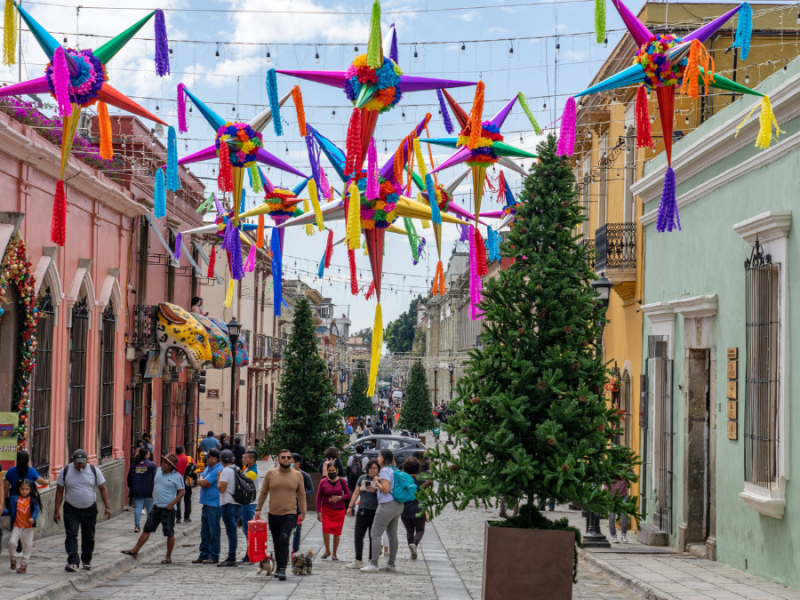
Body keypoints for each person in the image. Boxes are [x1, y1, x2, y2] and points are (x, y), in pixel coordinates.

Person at [54, 449, 112, 572]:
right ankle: (73, 561)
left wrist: (107, 506)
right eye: (77, 463)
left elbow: (103, 489)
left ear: (87, 461)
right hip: (71, 509)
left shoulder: (94, 471)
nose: (80, 465)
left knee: (88, 536)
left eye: (82, 462)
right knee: (71, 535)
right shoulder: (65, 471)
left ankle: (86, 560)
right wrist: (56, 510)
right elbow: (59, 491)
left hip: (89, 509)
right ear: (72, 461)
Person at [121, 453, 185, 564]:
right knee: (147, 528)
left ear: (171, 466)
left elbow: (182, 492)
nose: (163, 464)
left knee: (169, 532)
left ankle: (168, 556)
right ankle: (135, 550)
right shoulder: (159, 471)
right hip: (157, 506)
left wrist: (171, 504)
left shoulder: (177, 477)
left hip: (168, 509)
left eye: (165, 462)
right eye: (163, 461)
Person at [255, 449, 307, 580]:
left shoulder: (297, 475)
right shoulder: (270, 473)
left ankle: (282, 568)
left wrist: (303, 511)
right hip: (273, 513)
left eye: (288, 457)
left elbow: (301, 494)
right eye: (283, 457)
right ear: (278, 459)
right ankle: (278, 566)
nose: (286, 459)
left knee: (284, 539)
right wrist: (258, 508)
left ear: (291, 460)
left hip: (289, 513)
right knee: (277, 541)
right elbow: (263, 492)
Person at [360, 449, 404, 573]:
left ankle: (374, 563)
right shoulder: (393, 469)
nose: (378, 457)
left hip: (386, 505)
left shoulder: (384, 470)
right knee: (392, 535)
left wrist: (376, 482)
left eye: (379, 456)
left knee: (375, 533)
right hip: (397, 504)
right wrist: (378, 488)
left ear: (384, 458)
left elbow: (385, 489)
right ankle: (391, 563)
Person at [345, 459, 380, 569]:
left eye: (374, 468)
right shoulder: (362, 478)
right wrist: (350, 506)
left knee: (372, 536)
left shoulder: (381, 480)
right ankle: (358, 559)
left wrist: (377, 489)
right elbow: (356, 493)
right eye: (370, 468)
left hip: (375, 511)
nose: (372, 470)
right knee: (358, 535)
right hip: (362, 510)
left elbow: (385, 493)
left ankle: (372, 559)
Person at [193, 448, 223, 565]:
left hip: (214, 505)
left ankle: (214, 555)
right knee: (204, 531)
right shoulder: (208, 468)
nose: (206, 458)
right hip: (206, 504)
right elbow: (200, 479)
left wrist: (201, 480)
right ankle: (204, 553)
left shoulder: (218, 469)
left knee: (213, 531)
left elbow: (205, 482)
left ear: (215, 459)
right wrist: (201, 480)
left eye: (208, 457)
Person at [316, 461, 350, 560]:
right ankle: (327, 550)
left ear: (337, 470)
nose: (331, 472)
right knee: (326, 529)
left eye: (333, 471)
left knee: (337, 532)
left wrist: (340, 497)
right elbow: (318, 497)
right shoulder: (323, 482)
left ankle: (334, 553)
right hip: (326, 509)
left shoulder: (342, 481)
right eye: (329, 471)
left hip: (339, 510)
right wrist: (318, 511)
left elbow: (348, 494)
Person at [7, 478, 40, 573]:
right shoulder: (14, 499)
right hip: (17, 525)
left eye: (26, 489)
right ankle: (13, 559)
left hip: (28, 527)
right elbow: (10, 511)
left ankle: (24, 565)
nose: (24, 491)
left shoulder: (33, 500)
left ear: (30, 489)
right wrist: (2, 512)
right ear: (18, 489)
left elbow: (36, 510)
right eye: (22, 489)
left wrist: (33, 518)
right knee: (12, 542)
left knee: (27, 546)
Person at [215, 449, 242, 567]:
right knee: (233, 532)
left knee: (231, 533)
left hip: (228, 504)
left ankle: (231, 558)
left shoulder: (225, 471)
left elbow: (221, 489)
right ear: (232, 459)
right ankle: (232, 556)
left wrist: (218, 477)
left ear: (221, 460)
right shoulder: (237, 469)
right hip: (237, 504)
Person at [400, 457, 427, 559]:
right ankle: (414, 544)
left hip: (405, 509)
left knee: (409, 531)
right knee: (420, 530)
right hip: (418, 508)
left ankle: (412, 551)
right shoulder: (421, 481)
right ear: (418, 468)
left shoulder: (403, 480)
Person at [127, 448, 156, 533]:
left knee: (138, 507)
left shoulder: (134, 465)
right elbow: (155, 478)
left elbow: (129, 478)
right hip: (149, 490)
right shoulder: (152, 465)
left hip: (136, 490)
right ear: (146, 454)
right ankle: (149, 526)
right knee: (149, 508)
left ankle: (137, 525)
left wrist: (131, 486)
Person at [291, 453, 313, 555]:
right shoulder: (285, 474)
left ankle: (295, 552)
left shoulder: (305, 475)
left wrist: (301, 494)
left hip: (299, 508)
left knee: (297, 531)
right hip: (286, 507)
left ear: (297, 464)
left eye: (291, 461)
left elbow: (311, 490)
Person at [239, 450, 259, 563]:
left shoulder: (252, 472)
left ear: (251, 460)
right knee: (247, 529)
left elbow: (242, 485)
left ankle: (250, 554)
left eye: (245, 457)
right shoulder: (248, 469)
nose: (243, 459)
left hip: (249, 504)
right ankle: (250, 552)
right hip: (247, 503)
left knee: (248, 530)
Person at [175, 446, 197, 523]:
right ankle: (187, 517)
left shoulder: (174, 459)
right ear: (184, 451)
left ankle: (178, 518)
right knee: (187, 499)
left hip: (177, 482)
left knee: (177, 499)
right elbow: (195, 469)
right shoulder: (189, 458)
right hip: (187, 481)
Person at [608, 475, 630, 543]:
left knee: (625, 515)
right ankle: (613, 536)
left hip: (623, 496)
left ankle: (623, 534)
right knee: (611, 516)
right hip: (612, 496)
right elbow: (606, 483)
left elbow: (633, 475)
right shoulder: (612, 470)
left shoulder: (625, 469)